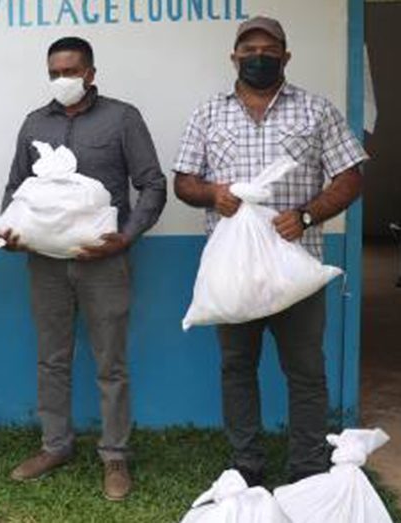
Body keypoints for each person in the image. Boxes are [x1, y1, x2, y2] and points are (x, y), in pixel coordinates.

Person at [173, 16, 368, 486]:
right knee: (237, 368)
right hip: (234, 271)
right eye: (249, 49)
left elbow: (350, 176)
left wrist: (305, 216)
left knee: (305, 370)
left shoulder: (316, 111)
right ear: (234, 57)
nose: (258, 56)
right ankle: (247, 467)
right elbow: (183, 181)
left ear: (285, 56)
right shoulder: (208, 113)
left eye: (268, 49)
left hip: (294, 267)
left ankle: (306, 470)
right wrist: (212, 194)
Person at [1, 37, 167, 501]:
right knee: (51, 358)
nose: (63, 80)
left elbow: (152, 184)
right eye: (55, 72)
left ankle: (115, 454)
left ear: (91, 73)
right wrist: (10, 232)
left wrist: (126, 237)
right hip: (46, 265)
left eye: (71, 71)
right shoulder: (35, 123)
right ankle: (55, 445)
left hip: (104, 262)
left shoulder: (122, 118)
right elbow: (16, 186)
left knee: (109, 362)